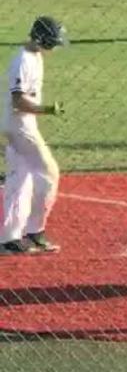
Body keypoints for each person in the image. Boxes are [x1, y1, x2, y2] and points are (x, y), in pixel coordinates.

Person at [0, 16, 68, 256]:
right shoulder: (23, 60)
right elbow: (18, 101)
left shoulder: (34, 56)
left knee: (21, 178)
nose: (54, 47)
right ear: (42, 39)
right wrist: (47, 110)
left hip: (21, 124)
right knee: (49, 173)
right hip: (20, 126)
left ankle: (9, 239)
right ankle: (35, 232)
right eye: (52, 41)